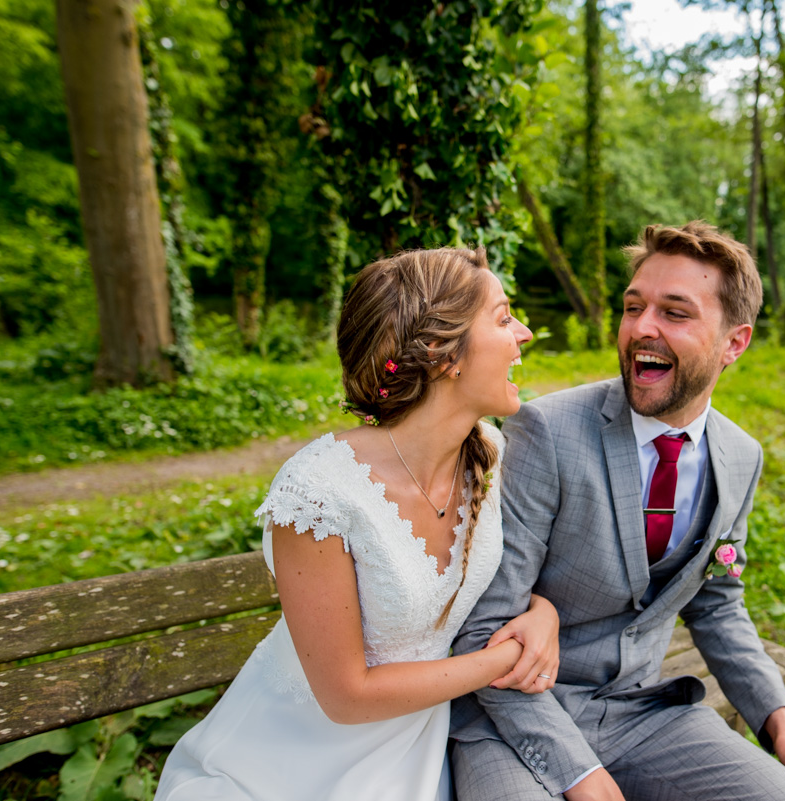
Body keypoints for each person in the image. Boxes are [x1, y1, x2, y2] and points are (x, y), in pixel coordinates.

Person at [449, 221, 785, 801]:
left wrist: (780, 720)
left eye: (675, 313)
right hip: (515, 716)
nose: (641, 328)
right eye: (633, 307)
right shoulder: (546, 431)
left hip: (644, 715)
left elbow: (718, 604)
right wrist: (581, 776)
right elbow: (484, 628)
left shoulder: (741, 457)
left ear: (735, 342)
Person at [155, 247, 556, 801]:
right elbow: (347, 696)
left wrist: (543, 613)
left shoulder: (486, 452)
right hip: (288, 765)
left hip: (412, 755)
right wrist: (505, 659)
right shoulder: (319, 493)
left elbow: (504, 582)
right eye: (505, 317)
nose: (526, 333)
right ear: (443, 354)